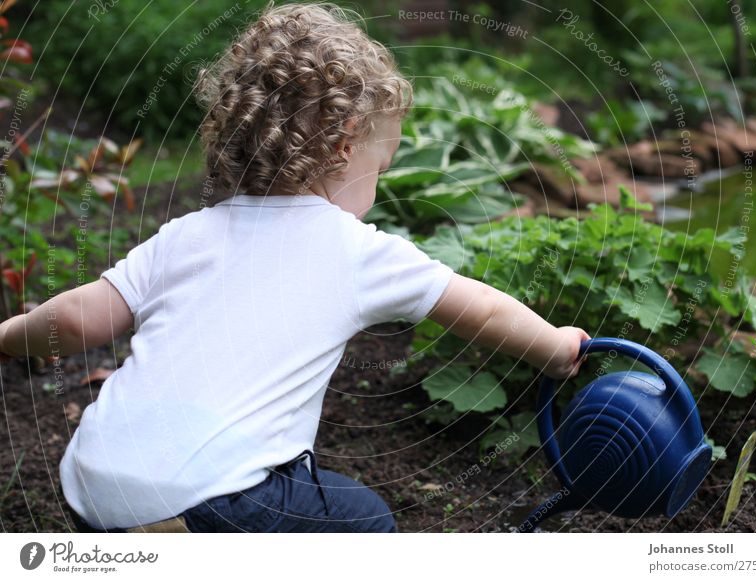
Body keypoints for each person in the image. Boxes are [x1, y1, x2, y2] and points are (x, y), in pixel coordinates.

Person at [0, 1, 589, 533]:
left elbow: (76, 320)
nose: (377, 191)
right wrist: (556, 346)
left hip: (92, 485)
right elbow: (480, 308)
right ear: (343, 148)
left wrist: (6, 338)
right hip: (210, 506)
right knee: (367, 523)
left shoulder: (184, 235)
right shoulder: (355, 249)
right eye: (378, 170)